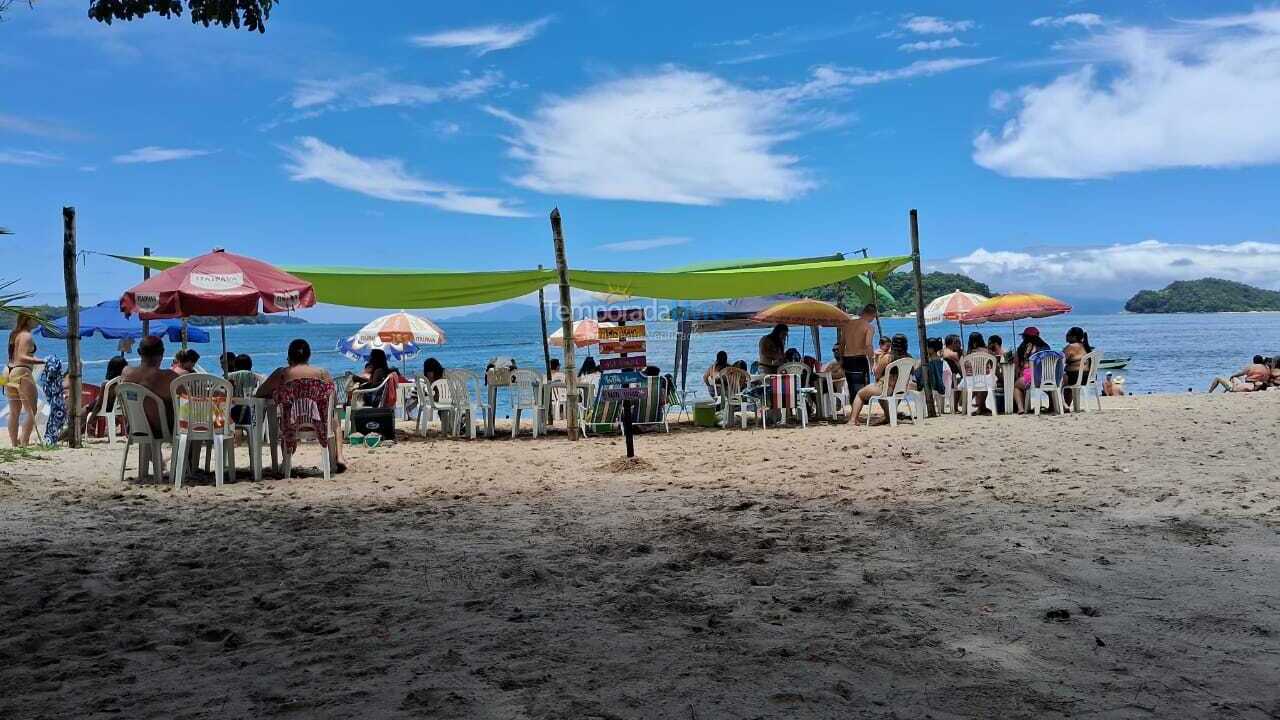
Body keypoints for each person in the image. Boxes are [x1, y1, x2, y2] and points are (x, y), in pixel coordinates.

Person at [256, 339, 345, 473]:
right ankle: (340, 457)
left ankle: (286, 461)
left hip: (290, 424)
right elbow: (334, 400)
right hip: (320, 424)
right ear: (309, 356)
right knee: (335, 419)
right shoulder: (322, 373)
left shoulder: (282, 373)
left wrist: (277, 394)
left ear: (289, 356)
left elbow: (260, 393)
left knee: (288, 414)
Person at [119, 335, 180, 437]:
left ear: (139, 352)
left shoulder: (126, 372)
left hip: (134, 428)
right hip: (162, 430)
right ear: (162, 353)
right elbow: (187, 396)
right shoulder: (168, 377)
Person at [849, 333, 912, 426]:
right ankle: (888, 417)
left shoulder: (888, 357)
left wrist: (876, 360)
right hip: (900, 390)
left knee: (860, 394)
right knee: (881, 397)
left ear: (892, 344)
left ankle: (852, 420)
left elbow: (876, 373)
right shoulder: (909, 358)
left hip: (886, 389)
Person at [5, 313, 41, 446]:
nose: (37, 321)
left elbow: (14, 355)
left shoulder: (14, 334)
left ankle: (15, 443)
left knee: (14, 411)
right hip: (21, 371)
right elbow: (22, 357)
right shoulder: (26, 335)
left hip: (7, 372)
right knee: (32, 410)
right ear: (28, 320)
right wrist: (41, 360)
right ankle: (24, 441)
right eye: (35, 318)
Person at [837, 304, 877, 396]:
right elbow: (868, 345)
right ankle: (860, 409)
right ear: (873, 315)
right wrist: (872, 363)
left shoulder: (847, 325)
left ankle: (853, 408)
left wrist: (841, 360)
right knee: (863, 390)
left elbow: (842, 344)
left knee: (852, 388)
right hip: (859, 360)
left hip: (847, 360)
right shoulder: (869, 327)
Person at [1013, 327, 1050, 413]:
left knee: (1016, 385)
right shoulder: (1046, 347)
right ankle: (1052, 404)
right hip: (1047, 377)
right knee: (1049, 387)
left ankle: (1021, 408)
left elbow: (1022, 365)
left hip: (1032, 378)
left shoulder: (1025, 348)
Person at [1062, 327, 1094, 407]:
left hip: (1075, 377)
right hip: (1087, 377)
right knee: (1065, 380)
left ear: (1074, 337)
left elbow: (1060, 361)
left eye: (1068, 334)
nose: (1066, 335)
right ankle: (1066, 405)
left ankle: (1062, 405)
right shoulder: (1086, 346)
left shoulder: (1070, 347)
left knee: (1056, 382)